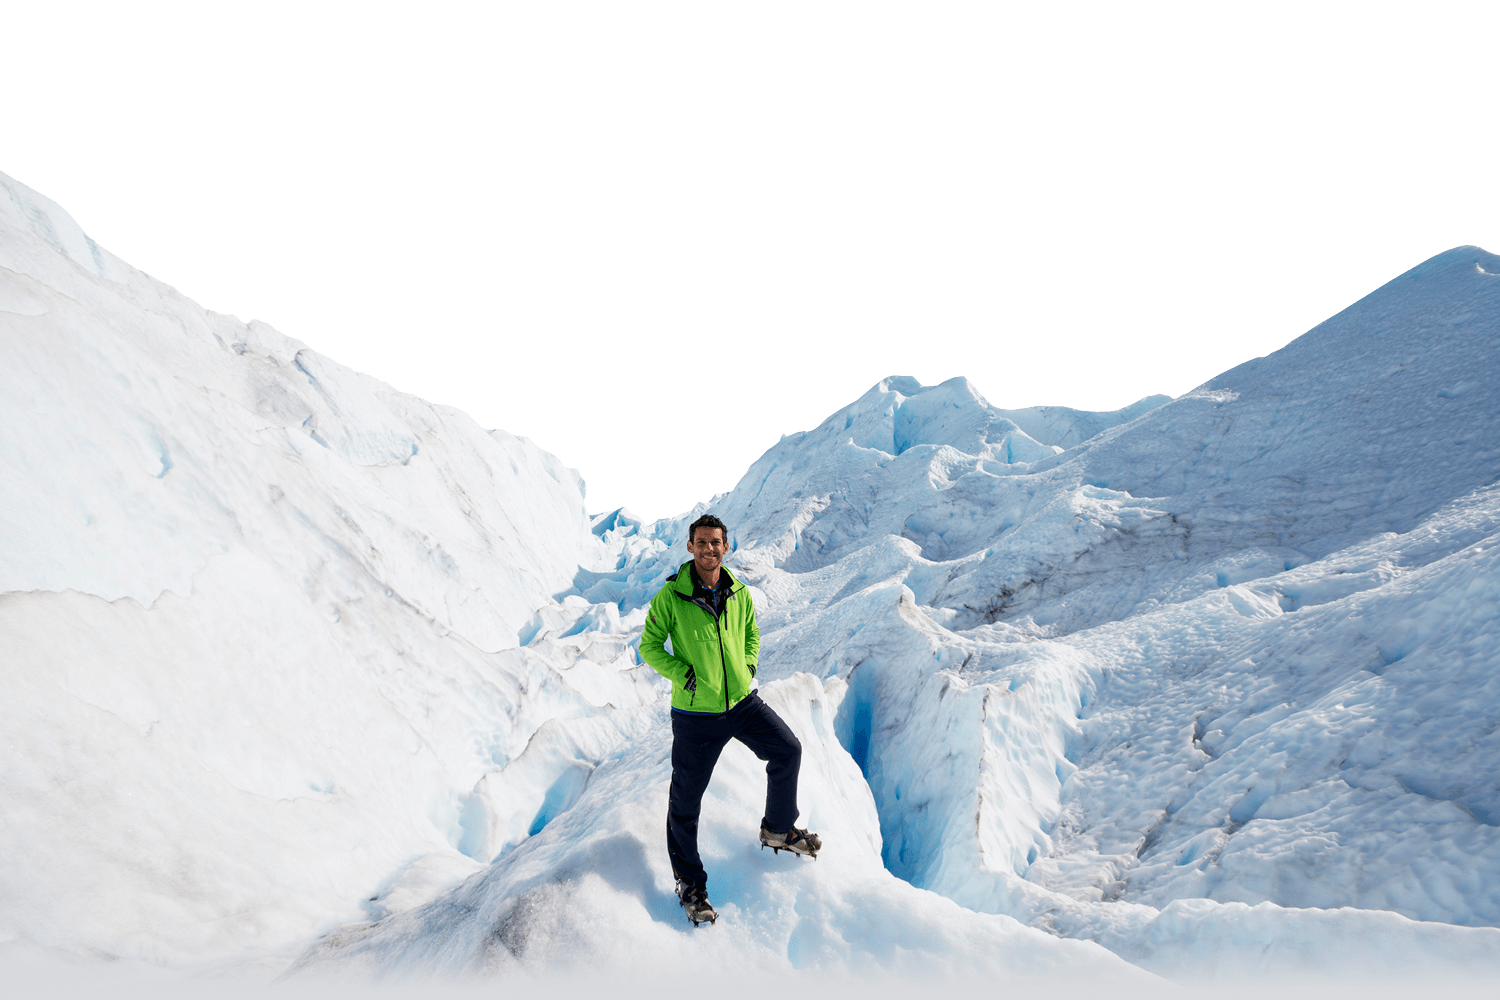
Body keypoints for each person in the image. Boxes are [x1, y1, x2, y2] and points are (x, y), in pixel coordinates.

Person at [640, 514, 821, 926]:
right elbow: (649, 645)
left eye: (716, 542)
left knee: (787, 750)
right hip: (696, 715)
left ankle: (778, 829)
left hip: (741, 703)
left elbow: (752, 632)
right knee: (685, 804)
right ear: (690, 547)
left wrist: (749, 663)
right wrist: (682, 673)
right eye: (701, 542)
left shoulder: (739, 592)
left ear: (726, 547)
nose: (709, 549)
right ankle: (690, 883)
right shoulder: (671, 598)